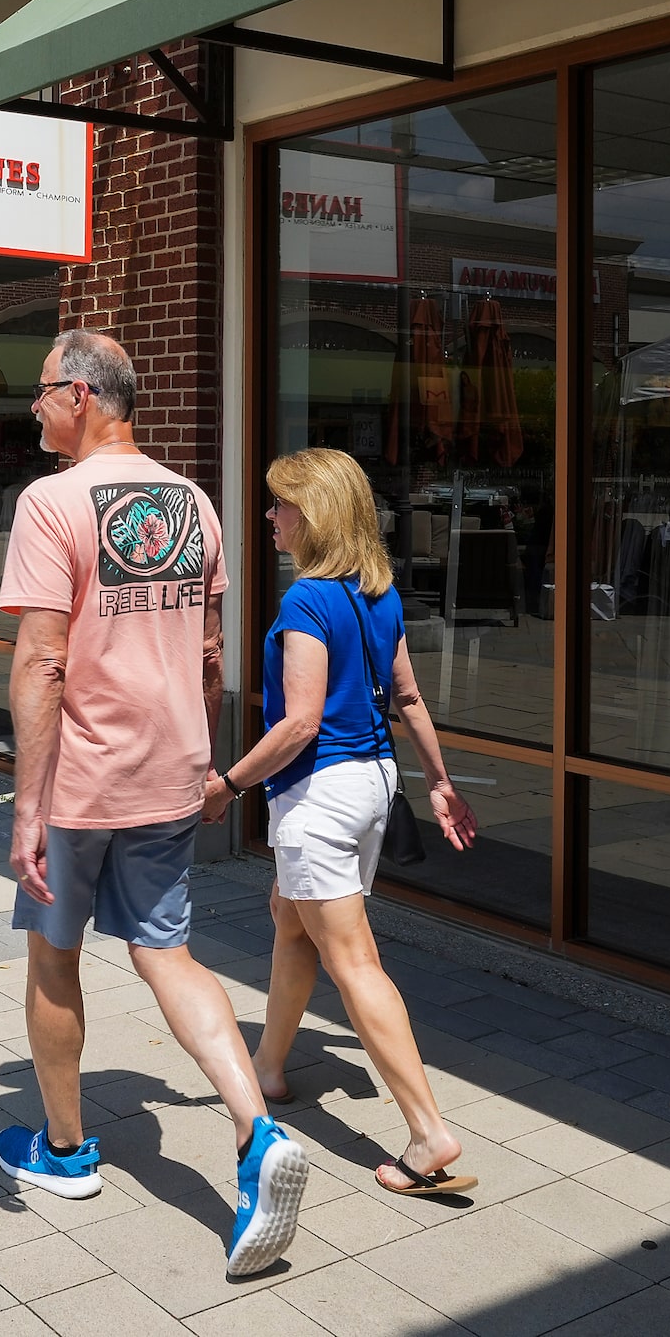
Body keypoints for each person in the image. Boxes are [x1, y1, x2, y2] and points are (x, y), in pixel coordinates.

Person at [0, 329, 311, 1279]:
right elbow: (211, 650)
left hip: (81, 782)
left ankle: (62, 1151)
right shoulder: (196, 503)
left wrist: (25, 806)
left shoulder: (51, 502)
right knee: (165, 952)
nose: (35, 408)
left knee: (54, 956)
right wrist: (204, 761)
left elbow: (43, 661)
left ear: (84, 395)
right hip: (171, 770)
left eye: (44, 391)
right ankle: (257, 1135)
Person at [222, 448, 483, 1196]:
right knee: (290, 917)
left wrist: (227, 784)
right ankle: (269, 1066)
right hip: (370, 786)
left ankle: (428, 1133)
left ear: (316, 513)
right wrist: (438, 782)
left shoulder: (305, 600)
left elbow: (299, 723)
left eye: (280, 505)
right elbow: (405, 697)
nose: (270, 516)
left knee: (354, 960)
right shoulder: (380, 593)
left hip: (321, 797)